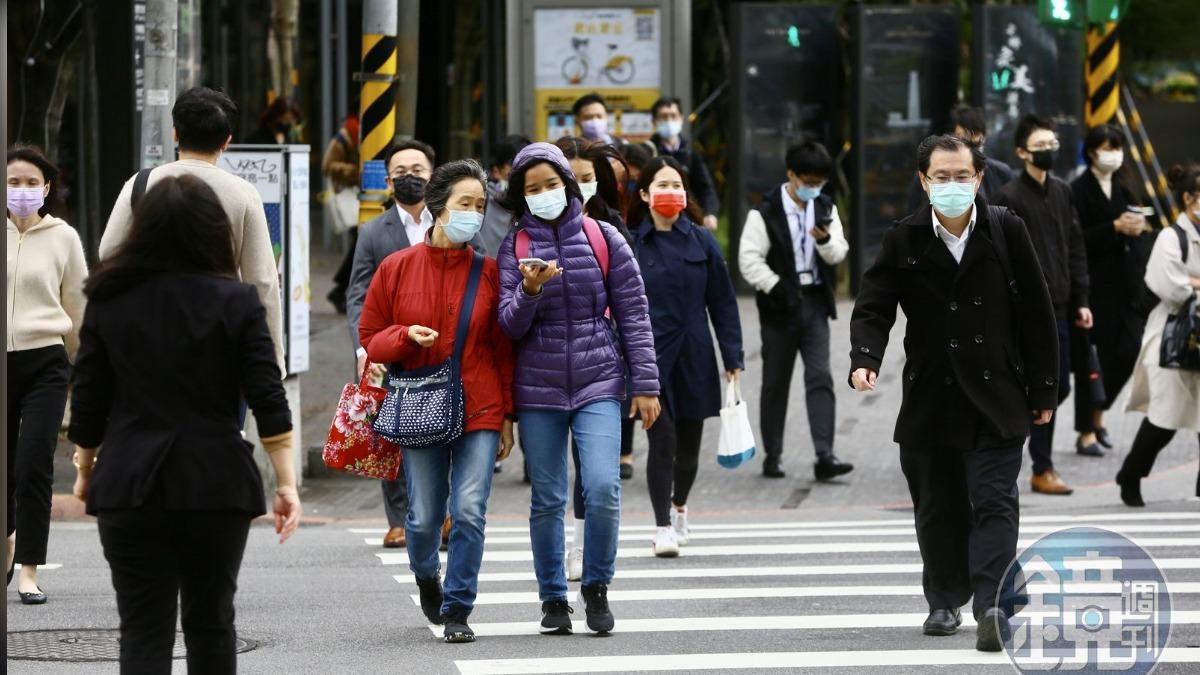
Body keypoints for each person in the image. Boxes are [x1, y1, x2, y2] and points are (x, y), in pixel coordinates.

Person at [69, 175, 302, 673]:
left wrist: (86, 468)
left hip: (129, 482)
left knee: (142, 631)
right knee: (212, 622)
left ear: (141, 231)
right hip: (217, 482)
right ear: (215, 232)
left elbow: (88, 398)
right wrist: (285, 483)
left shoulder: (109, 300)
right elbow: (267, 396)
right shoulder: (237, 301)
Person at [849, 134, 1059, 652]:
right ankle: (944, 599)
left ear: (978, 178)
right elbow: (874, 304)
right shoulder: (904, 238)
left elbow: (1038, 313)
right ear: (924, 182)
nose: (952, 185)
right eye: (940, 177)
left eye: (961, 176)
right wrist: (864, 359)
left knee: (994, 501)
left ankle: (991, 605)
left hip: (997, 392)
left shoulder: (1005, 229)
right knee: (938, 506)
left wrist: (1044, 389)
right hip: (932, 395)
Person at [496, 142, 660, 635]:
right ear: (521, 197)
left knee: (604, 487)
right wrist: (530, 290)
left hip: (599, 379)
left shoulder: (603, 236)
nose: (544, 194)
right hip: (537, 386)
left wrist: (646, 383)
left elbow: (634, 313)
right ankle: (552, 596)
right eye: (533, 188)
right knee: (547, 497)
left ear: (568, 185)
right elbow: (507, 326)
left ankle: (596, 585)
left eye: (552, 184)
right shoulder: (514, 247)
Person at [358, 159, 515, 643]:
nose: (473, 214)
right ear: (438, 206)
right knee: (424, 516)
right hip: (419, 403)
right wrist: (405, 336)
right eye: (465, 203)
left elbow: (504, 349)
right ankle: (427, 575)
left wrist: (508, 416)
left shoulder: (490, 272)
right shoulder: (396, 268)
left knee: (469, 509)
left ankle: (459, 607)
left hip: (480, 405)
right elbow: (370, 337)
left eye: (480, 206)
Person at [101, 86, 285, 372]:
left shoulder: (141, 184)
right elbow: (262, 281)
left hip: (149, 339)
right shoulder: (243, 193)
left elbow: (108, 253)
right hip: (219, 342)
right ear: (226, 141)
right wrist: (273, 360)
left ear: (175, 133)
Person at [627, 156, 743, 557]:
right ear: (645, 194)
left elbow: (723, 302)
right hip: (651, 356)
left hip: (695, 353)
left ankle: (680, 506)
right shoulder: (632, 243)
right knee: (662, 441)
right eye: (662, 185)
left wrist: (733, 357)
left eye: (677, 185)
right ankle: (661, 526)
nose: (671, 192)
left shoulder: (702, 240)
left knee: (690, 449)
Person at [344, 139, 449, 550]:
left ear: (433, 176)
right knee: (390, 433)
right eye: (401, 172)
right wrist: (364, 349)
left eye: (417, 170)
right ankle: (400, 520)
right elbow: (357, 293)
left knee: (444, 429)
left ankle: (444, 515)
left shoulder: (451, 223)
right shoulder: (373, 231)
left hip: (441, 346)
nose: (410, 178)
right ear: (388, 181)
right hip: (389, 350)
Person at [737, 140, 851, 480]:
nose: (813, 189)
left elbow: (839, 252)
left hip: (814, 303)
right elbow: (749, 260)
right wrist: (777, 287)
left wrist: (824, 240)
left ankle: (825, 455)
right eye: (808, 182)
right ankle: (773, 454)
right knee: (775, 381)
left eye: (820, 183)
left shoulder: (825, 207)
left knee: (820, 376)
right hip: (778, 306)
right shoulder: (765, 211)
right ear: (791, 175)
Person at [6, 144, 88, 604]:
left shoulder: (63, 238)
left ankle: (29, 569)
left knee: (34, 463)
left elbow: (77, 306)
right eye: (13, 182)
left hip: (46, 363)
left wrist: (86, 369)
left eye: (31, 182)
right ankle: (8, 540)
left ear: (47, 187)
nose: (22, 190)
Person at [993, 114, 1091, 496]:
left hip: (1062, 307)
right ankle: (1042, 467)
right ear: (1022, 152)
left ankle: (1033, 451)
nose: (1049, 152)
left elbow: (1075, 247)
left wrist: (1082, 299)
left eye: (1053, 145)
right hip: (1025, 312)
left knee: (1058, 385)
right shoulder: (1008, 198)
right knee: (1040, 385)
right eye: (1041, 147)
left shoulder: (1063, 192)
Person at [553, 136, 637, 581]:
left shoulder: (611, 229)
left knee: (596, 469)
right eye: (568, 178)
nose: (576, 186)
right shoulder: (528, 231)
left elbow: (633, 306)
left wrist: (642, 376)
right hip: (547, 365)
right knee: (552, 477)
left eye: (584, 178)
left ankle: (584, 549)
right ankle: (563, 551)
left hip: (601, 364)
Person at [1118, 164, 1200, 507]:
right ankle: (1131, 475)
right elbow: (1175, 289)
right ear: (1189, 198)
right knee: (1165, 419)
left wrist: (1194, 282)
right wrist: (1192, 284)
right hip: (1173, 339)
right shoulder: (1171, 237)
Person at [1070, 124, 1150, 455]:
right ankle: (1087, 430)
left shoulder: (1124, 184)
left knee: (1129, 351)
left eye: (1117, 148)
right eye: (1108, 148)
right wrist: (1113, 227)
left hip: (1127, 283)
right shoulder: (1078, 190)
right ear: (1092, 152)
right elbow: (1076, 238)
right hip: (1094, 285)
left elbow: (1140, 222)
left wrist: (1137, 226)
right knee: (1093, 360)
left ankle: (1099, 413)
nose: (1114, 155)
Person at [905, 105, 1015, 214]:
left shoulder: (1000, 172)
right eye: (942, 177)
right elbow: (914, 216)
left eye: (976, 143)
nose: (971, 149)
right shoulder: (929, 174)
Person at [649, 97, 720, 231]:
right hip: (656, 222)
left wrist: (710, 213)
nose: (669, 121)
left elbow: (706, 189)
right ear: (654, 121)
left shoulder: (691, 153)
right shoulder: (648, 152)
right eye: (663, 116)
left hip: (689, 222)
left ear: (681, 118)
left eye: (673, 116)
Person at [325, 113, 361, 314]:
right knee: (360, 247)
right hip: (353, 196)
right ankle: (340, 289)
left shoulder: (368, 132)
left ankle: (340, 289)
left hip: (362, 196)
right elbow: (328, 165)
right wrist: (356, 171)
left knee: (360, 247)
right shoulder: (346, 136)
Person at [481, 134, 531, 258]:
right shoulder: (482, 200)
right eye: (515, 167)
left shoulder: (537, 202)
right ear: (496, 172)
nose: (521, 174)